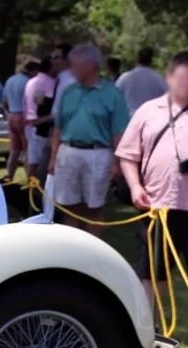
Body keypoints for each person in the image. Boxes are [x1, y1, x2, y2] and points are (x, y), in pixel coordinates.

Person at [116, 50, 188, 312]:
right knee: (152, 271)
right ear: (170, 77)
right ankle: (146, 326)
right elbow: (128, 155)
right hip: (156, 206)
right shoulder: (148, 111)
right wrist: (135, 186)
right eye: (184, 77)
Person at [48, 44, 130, 238]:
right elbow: (59, 127)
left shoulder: (112, 94)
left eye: (75, 65)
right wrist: (53, 156)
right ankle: (72, 250)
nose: (71, 70)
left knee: (94, 208)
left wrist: (118, 164)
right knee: (69, 206)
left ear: (91, 65)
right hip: (68, 152)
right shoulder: (69, 92)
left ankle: (94, 252)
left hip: (98, 154)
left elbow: (119, 133)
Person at [2, 59, 37, 182]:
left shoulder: (10, 80)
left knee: (14, 151)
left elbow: (5, 101)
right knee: (27, 150)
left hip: (11, 115)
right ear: (33, 70)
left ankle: (9, 177)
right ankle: (29, 179)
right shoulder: (29, 82)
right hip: (23, 117)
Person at [24, 58, 57, 180]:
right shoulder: (50, 83)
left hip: (29, 124)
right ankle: (37, 188)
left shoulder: (30, 82)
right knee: (41, 161)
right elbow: (47, 104)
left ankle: (30, 187)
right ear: (50, 68)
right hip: (42, 126)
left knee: (32, 159)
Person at [117, 47, 169, 116]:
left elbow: (114, 96)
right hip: (149, 117)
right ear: (151, 60)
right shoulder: (158, 79)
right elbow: (168, 98)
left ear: (138, 59)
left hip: (128, 117)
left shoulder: (125, 77)